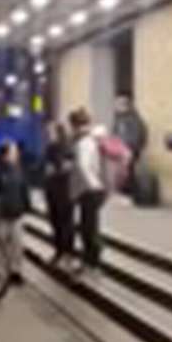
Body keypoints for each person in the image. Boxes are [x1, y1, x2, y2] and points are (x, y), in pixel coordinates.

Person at [69, 109, 107, 273]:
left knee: (88, 227)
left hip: (89, 190)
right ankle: (91, 259)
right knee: (89, 225)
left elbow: (83, 166)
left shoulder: (84, 142)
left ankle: (92, 261)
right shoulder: (91, 139)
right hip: (93, 188)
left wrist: (92, 185)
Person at [0, 140, 30, 286]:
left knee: (17, 244)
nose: (16, 154)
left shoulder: (19, 169)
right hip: (2, 213)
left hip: (16, 212)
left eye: (16, 152)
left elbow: (24, 188)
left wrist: (26, 206)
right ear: (5, 155)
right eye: (13, 152)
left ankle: (15, 272)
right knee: (1, 243)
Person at [42, 122, 73, 266]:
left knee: (65, 223)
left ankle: (67, 252)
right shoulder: (50, 148)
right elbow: (45, 166)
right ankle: (59, 251)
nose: (48, 135)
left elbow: (67, 166)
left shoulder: (67, 147)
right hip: (52, 189)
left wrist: (55, 169)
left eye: (50, 132)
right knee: (55, 222)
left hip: (64, 190)